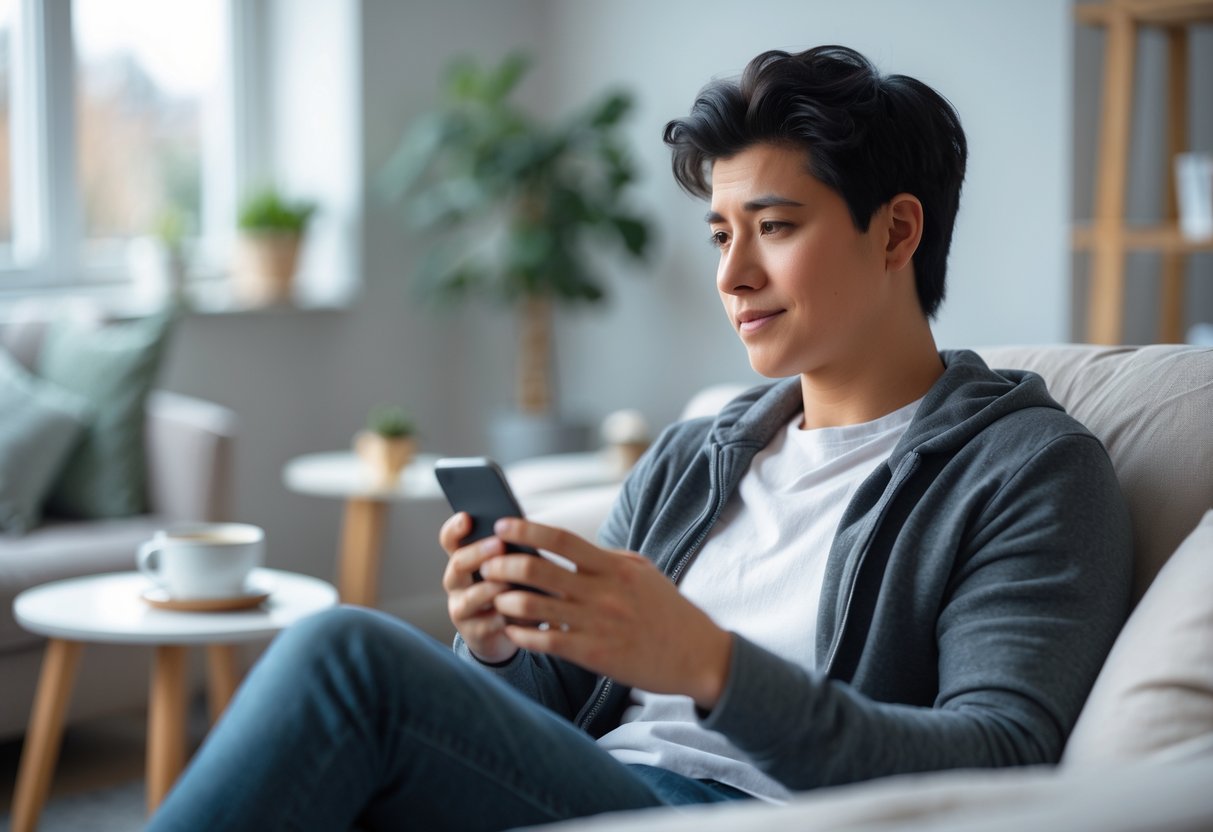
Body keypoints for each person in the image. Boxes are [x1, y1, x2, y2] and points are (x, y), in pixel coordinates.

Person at [149, 45, 1131, 831]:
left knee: (346, 657)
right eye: (717, 234)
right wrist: (494, 645)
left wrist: (708, 665)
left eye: (773, 226)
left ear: (895, 232)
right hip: (598, 788)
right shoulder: (691, 458)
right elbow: (551, 708)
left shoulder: (1028, 469)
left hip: (764, 812)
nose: (731, 275)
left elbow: (1001, 760)